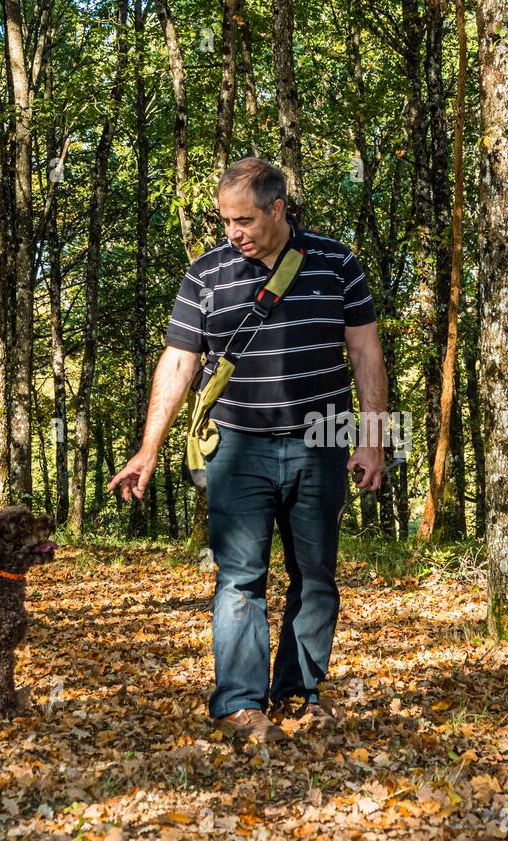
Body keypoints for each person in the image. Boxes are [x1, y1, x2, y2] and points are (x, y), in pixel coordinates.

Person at [109, 157, 389, 744]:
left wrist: (372, 439)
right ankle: (240, 705)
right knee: (240, 578)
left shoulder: (336, 263)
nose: (232, 233)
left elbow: (365, 352)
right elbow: (180, 360)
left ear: (278, 209)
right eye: (225, 221)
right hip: (237, 444)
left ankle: (298, 693)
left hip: (322, 439)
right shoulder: (205, 274)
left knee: (316, 576)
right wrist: (148, 447)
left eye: (244, 220)